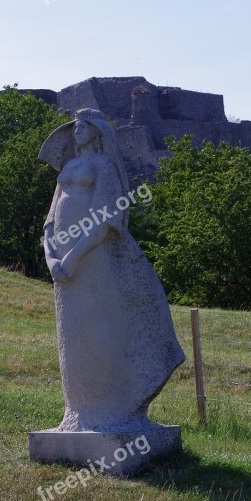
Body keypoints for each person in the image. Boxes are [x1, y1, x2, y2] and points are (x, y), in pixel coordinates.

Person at [40, 108, 185, 433]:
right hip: (64, 267)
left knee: (97, 329)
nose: (75, 132)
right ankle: (76, 413)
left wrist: (73, 258)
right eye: (73, 127)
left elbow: (104, 221)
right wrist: (53, 259)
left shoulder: (103, 166)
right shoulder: (68, 168)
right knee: (71, 336)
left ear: (95, 131)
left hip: (91, 260)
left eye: (81, 127)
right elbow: (50, 222)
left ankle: (108, 411)